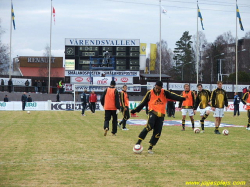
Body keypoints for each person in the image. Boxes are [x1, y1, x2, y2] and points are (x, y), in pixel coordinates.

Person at [131, 81, 185, 154]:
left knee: (157, 132)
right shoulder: (150, 93)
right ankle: (138, 143)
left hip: (161, 115)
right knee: (149, 126)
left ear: (161, 88)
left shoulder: (164, 92)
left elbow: (173, 96)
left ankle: (150, 148)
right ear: (155, 86)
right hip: (152, 112)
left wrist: (182, 98)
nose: (157, 90)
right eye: (156, 88)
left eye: (159, 89)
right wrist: (135, 110)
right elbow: (143, 102)